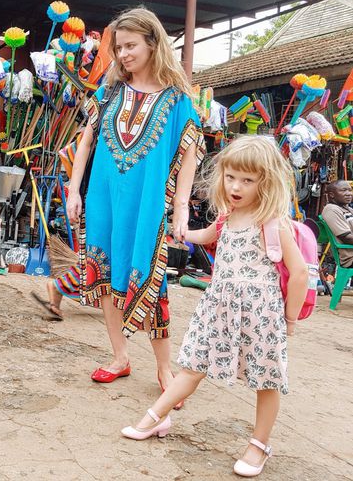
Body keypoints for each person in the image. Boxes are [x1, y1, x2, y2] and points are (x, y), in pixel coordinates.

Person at [122, 136, 308, 478]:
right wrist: (179, 233)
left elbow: (299, 274)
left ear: (265, 182)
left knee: (266, 380)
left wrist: (290, 318)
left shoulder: (272, 222)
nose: (236, 186)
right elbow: (207, 235)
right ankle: (156, 417)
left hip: (262, 315)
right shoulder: (227, 215)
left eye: (247, 180)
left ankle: (259, 444)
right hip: (218, 309)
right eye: (231, 176)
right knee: (192, 365)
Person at [66, 8, 205, 398]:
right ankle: (120, 357)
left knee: (151, 278)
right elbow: (86, 141)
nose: (123, 54)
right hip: (105, 201)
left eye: (130, 46)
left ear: (152, 43)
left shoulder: (177, 101)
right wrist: (75, 188)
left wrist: (180, 208)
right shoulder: (109, 93)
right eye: (119, 47)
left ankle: (164, 369)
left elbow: (190, 152)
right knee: (107, 274)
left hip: (147, 206)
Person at [321, 180, 353, 267]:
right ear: (332, 195)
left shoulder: (348, 209)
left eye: (350, 190)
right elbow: (346, 238)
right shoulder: (331, 210)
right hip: (349, 258)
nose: (349, 193)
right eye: (343, 190)